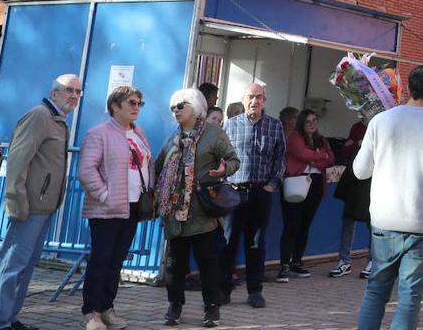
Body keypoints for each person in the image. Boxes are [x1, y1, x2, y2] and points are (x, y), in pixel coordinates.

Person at [354, 65, 423, 330]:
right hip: (422, 222)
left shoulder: (380, 122)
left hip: (384, 219)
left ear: (407, 86)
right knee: (409, 297)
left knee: (375, 292)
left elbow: (360, 171)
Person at [0, 74, 82, 330]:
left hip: (44, 207)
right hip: (28, 207)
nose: (74, 95)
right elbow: (18, 160)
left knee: (25, 267)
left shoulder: (58, 121)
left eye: (78, 92)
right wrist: (16, 202)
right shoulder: (40, 116)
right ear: (54, 94)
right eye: (68, 90)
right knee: (11, 266)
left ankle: (10, 318)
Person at [157, 88, 239, 328]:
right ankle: (175, 305)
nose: (176, 111)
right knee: (175, 264)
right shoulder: (173, 137)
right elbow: (159, 165)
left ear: (195, 107)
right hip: (175, 213)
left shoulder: (214, 134)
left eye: (181, 106)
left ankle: (211, 307)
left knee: (207, 262)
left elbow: (233, 160)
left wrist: (224, 170)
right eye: (173, 108)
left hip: (202, 212)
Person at [77, 86, 152, 330]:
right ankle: (90, 312)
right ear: (115, 106)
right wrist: (104, 195)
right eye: (131, 102)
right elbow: (87, 169)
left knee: (116, 260)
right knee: (101, 259)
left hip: (131, 206)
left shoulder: (138, 132)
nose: (136, 107)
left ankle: (107, 308)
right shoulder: (99, 133)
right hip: (107, 208)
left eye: (139, 103)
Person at [219, 83, 285, 309]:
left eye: (258, 97)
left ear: (264, 100)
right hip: (234, 193)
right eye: (250, 97)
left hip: (260, 193)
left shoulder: (275, 127)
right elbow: (220, 158)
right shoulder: (230, 125)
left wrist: (273, 184)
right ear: (243, 99)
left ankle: (255, 291)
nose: (254, 101)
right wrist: (223, 184)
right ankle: (223, 290)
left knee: (256, 243)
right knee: (228, 242)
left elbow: (280, 159)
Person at [277, 109, 334, 282]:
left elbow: (330, 159)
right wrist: (318, 156)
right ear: (301, 123)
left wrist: (314, 158)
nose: (312, 124)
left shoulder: (321, 140)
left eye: (315, 120)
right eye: (308, 121)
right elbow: (301, 153)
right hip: (296, 182)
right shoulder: (294, 136)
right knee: (291, 224)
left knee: (305, 225)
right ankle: (284, 265)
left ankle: (297, 261)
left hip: (315, 183)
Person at [330, 118, 372, 279]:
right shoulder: (358, 126)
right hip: (354, 177)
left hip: (373, 179)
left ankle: (373, 260)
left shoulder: (383, 124)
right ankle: (344, 260)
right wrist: (357, 145)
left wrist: (363, 145)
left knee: (372, 221)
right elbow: (347, 150)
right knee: (348, 219)